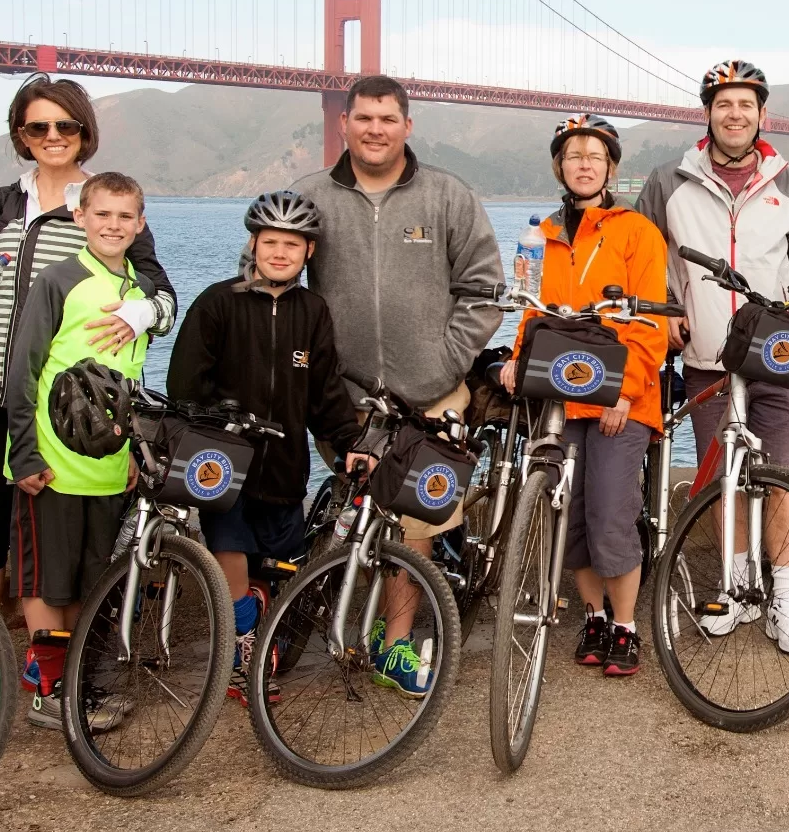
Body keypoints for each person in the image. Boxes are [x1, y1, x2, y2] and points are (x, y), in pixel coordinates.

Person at [0, 75, 175, 735]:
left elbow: (161, 296)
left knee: (63, 544)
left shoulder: (107, 204)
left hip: (66, 406)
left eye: (66, 127)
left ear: (85, 131)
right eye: (37, 128)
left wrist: (141, 312)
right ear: (20, 135)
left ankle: (49, 674)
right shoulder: (1, 203)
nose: (52, 139)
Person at [291, 74, 504, 696]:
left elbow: (484, 291)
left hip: (431, 397)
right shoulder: (309, 197)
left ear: (407, 126)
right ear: (344, 125)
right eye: (364, 119)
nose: (375, 129)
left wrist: (444, 364)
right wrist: (307, 367)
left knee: (414, 528)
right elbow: (267, 279)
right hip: (345, 400)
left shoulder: (447, 196)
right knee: (360, 517)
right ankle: (338, 621)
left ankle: (397, 645)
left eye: (388, 119)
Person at [635, 60, 789, 655]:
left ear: (761, 115)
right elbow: (648, 257)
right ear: (707, 112)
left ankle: (783, 597)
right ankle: (733, 588)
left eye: (745, 105)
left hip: (777, 352)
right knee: (720, 478)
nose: (735, 114)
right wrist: (665, 309)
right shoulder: (667, 180)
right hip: (706, 354)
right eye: (723, 103)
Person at [166, 191, 363, 705]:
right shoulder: (217, 302)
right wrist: (215, 426)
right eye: (270, 242)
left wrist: (348, 441)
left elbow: (325, 388)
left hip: (284, 463)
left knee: (274, 564)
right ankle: (241, 648)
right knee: (229, 548)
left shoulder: (311, 311)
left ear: (308, 253)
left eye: (291, 245)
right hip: (224, 465)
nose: (280, 252)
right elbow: (185, 385)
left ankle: (257, 631)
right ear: (253, 244)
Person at [497, 117, 668, 677]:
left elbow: (649, 324)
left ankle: (625, 626)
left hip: (621, 399)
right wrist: (518, 357)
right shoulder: (542, 234)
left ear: (611, 167)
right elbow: (534, 309)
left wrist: (625, 389)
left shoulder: (638, 231)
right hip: (559, 391)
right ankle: (592, 615)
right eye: (574, 155)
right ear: (560, 166)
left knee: (611, 513)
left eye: (596, 155)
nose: (585, 163)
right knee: (567, 515)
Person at [4, 171, 162, 731]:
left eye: (125, 216)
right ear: (80, 218)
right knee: (48, 581)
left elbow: (131, 382)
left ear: (140, 224)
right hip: (52, 462)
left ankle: (79, 687)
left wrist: (131, 461)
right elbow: (20, 369)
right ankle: (50, 693)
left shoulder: (139, 292)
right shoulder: (57, 280)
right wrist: (24, 453)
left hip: (107, 465)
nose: (113, 225)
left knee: (92, 582)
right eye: (102, 214)